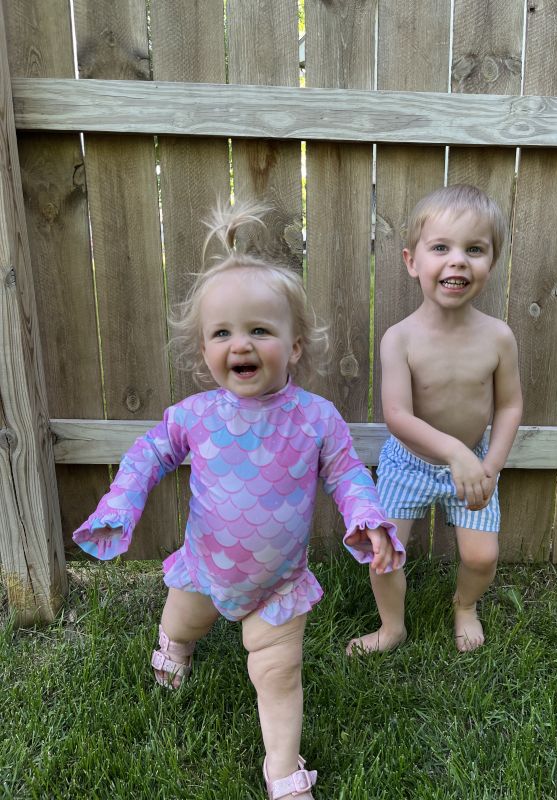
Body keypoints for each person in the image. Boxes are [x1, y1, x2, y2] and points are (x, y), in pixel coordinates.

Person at [73, 202, 405, 800]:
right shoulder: (195, 417)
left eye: (259, 330)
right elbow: (148, 454)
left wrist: (368, 517)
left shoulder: (316, 419)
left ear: (295, 345)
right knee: (183, 621)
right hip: (204, 567)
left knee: (277, 672)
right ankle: (174, 647)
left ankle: (281, 767)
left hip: (279, 583)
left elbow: (349, 473)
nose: (240, 344)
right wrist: (121, 503)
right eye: (222, 333)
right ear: (204, 350)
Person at [347, 184, 522, 656]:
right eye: (441, 248)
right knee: (383, 555)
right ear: (412, 261)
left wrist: (492, 466)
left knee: (481, 555)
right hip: (409, 464)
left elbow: (509, 406)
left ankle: (465, 605)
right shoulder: (400, 338)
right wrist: (453, 452)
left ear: (491, 262)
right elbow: (397, 415)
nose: (458, 260)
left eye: (474, 249)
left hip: (475, 465)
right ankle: (392, 627)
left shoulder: (498, 338)